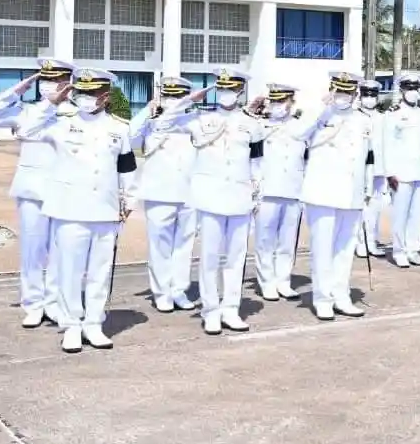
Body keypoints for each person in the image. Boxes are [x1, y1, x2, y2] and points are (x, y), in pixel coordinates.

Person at [19, 68, 138, 353]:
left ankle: (93, 324)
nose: (84, 97)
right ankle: (71, 326)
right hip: (70, 210)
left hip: (106, 211)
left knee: (100, 273)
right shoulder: (60, 122)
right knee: (70, 272)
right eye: (81, 92)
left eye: (91, 93)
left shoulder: (119, 128)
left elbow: (127, 169)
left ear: (105, 97)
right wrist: (50, 103)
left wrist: (129, 201)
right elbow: (26, 131)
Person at [156, 67, 266, 335]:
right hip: (209, 198)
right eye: (222, 88)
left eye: (231, 88)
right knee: (209, 258)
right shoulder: (199, 118)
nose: (227, 93)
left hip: (240, 197)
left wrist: (257, 193)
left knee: (236, 258)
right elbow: (162, 124)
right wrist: (187, 100)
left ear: (240, 91)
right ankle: (210, 310)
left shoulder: (252, 124)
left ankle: (231, 308)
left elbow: (257, 163)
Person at [0, 57, 74, 328]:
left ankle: (54, 302)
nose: (49, 85)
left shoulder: (76, 113)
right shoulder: (27, 111)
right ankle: (33, 303)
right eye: (43, 79)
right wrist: (21, 87)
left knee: (59, 251)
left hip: (64, 189)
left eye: (54, 80)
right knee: (32, 250)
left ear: (68, 83)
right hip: (32, 189)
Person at [291, 72, 369, 319]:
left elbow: (367, 156)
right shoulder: (319, 115)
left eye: (347, 92)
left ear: (355, 93)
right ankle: (323, 298)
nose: (343, 97)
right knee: (323, 249)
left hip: (351, 194)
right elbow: (298, 133)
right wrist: (319, 107)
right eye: (339, 91)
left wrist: (365, 188)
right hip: (322, 192)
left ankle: (341, 295)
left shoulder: (363, 120)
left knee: (345, 249)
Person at [130, 75, 202, 313]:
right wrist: (146, 111)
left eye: (177, 96)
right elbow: (130, 137)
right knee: (159, 246)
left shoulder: (196, 119)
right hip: (159, 192)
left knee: (184, 244)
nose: (172, 101)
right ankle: (162, 292)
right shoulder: (151, 121)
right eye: (168, 95)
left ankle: (179, 289)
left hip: (189, 192)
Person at [251, 83, 306, 301]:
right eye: (274, 101)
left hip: (294, 190)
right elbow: (253, 160)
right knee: (265, 240)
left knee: (287, 241)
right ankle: (266, 282)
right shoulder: (260, 126)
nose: (278, 105)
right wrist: (255, 187)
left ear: (292, 102)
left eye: (282, 101)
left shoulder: (301, 127)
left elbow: (308, 159)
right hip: (267, 191)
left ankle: (284, 281)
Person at [381, 74, 420, 268]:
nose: (412, 92)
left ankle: (413, 249)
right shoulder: (393, 114)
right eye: (408, 88)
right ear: (402, 90)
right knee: (400, 214)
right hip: (401, 172)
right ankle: (399, 251)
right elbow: (387, 145)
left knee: (416, 214)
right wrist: (389, 172)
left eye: (415, 88)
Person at [358, 79, 390, 258]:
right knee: (360, 206)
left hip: (378, 168)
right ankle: (360, 241)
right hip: (360, 169)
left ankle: (372, 240)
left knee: (375, 208)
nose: (369, 98)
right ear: (360, 96)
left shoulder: (382, 118)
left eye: (372, 95)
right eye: (366, 95)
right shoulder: (355, 116)